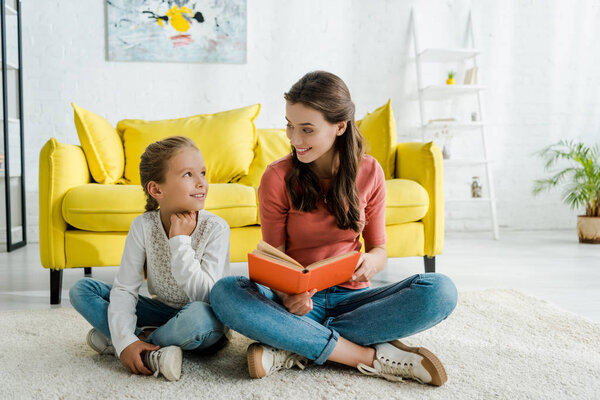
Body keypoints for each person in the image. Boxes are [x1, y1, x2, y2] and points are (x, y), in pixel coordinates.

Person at [210, 71, 457, 386]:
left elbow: (379, 249)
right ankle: (367, 356)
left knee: (440, 291)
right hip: (296, 305)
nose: (295, 139)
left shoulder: (370, 172)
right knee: (225, 292)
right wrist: (288, 297)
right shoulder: (277, 177)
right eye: (290, 126)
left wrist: (371, 263)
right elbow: (274, 259)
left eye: (307, 130)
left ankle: (293, 345)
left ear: (340, 126)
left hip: (353, 302)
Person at [70, 136, 230, 381]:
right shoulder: (143, 226)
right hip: (162, 311)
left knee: (200, 318)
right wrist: (126, 337)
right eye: (188, 174)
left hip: (203, 318)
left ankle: (135, 343)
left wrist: (180, 242)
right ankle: (141, 345)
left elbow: (207, 296)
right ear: (156, 190)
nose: (201, 183)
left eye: (203, 173)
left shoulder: (216, 228)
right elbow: (125, 289)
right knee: (83, 289)